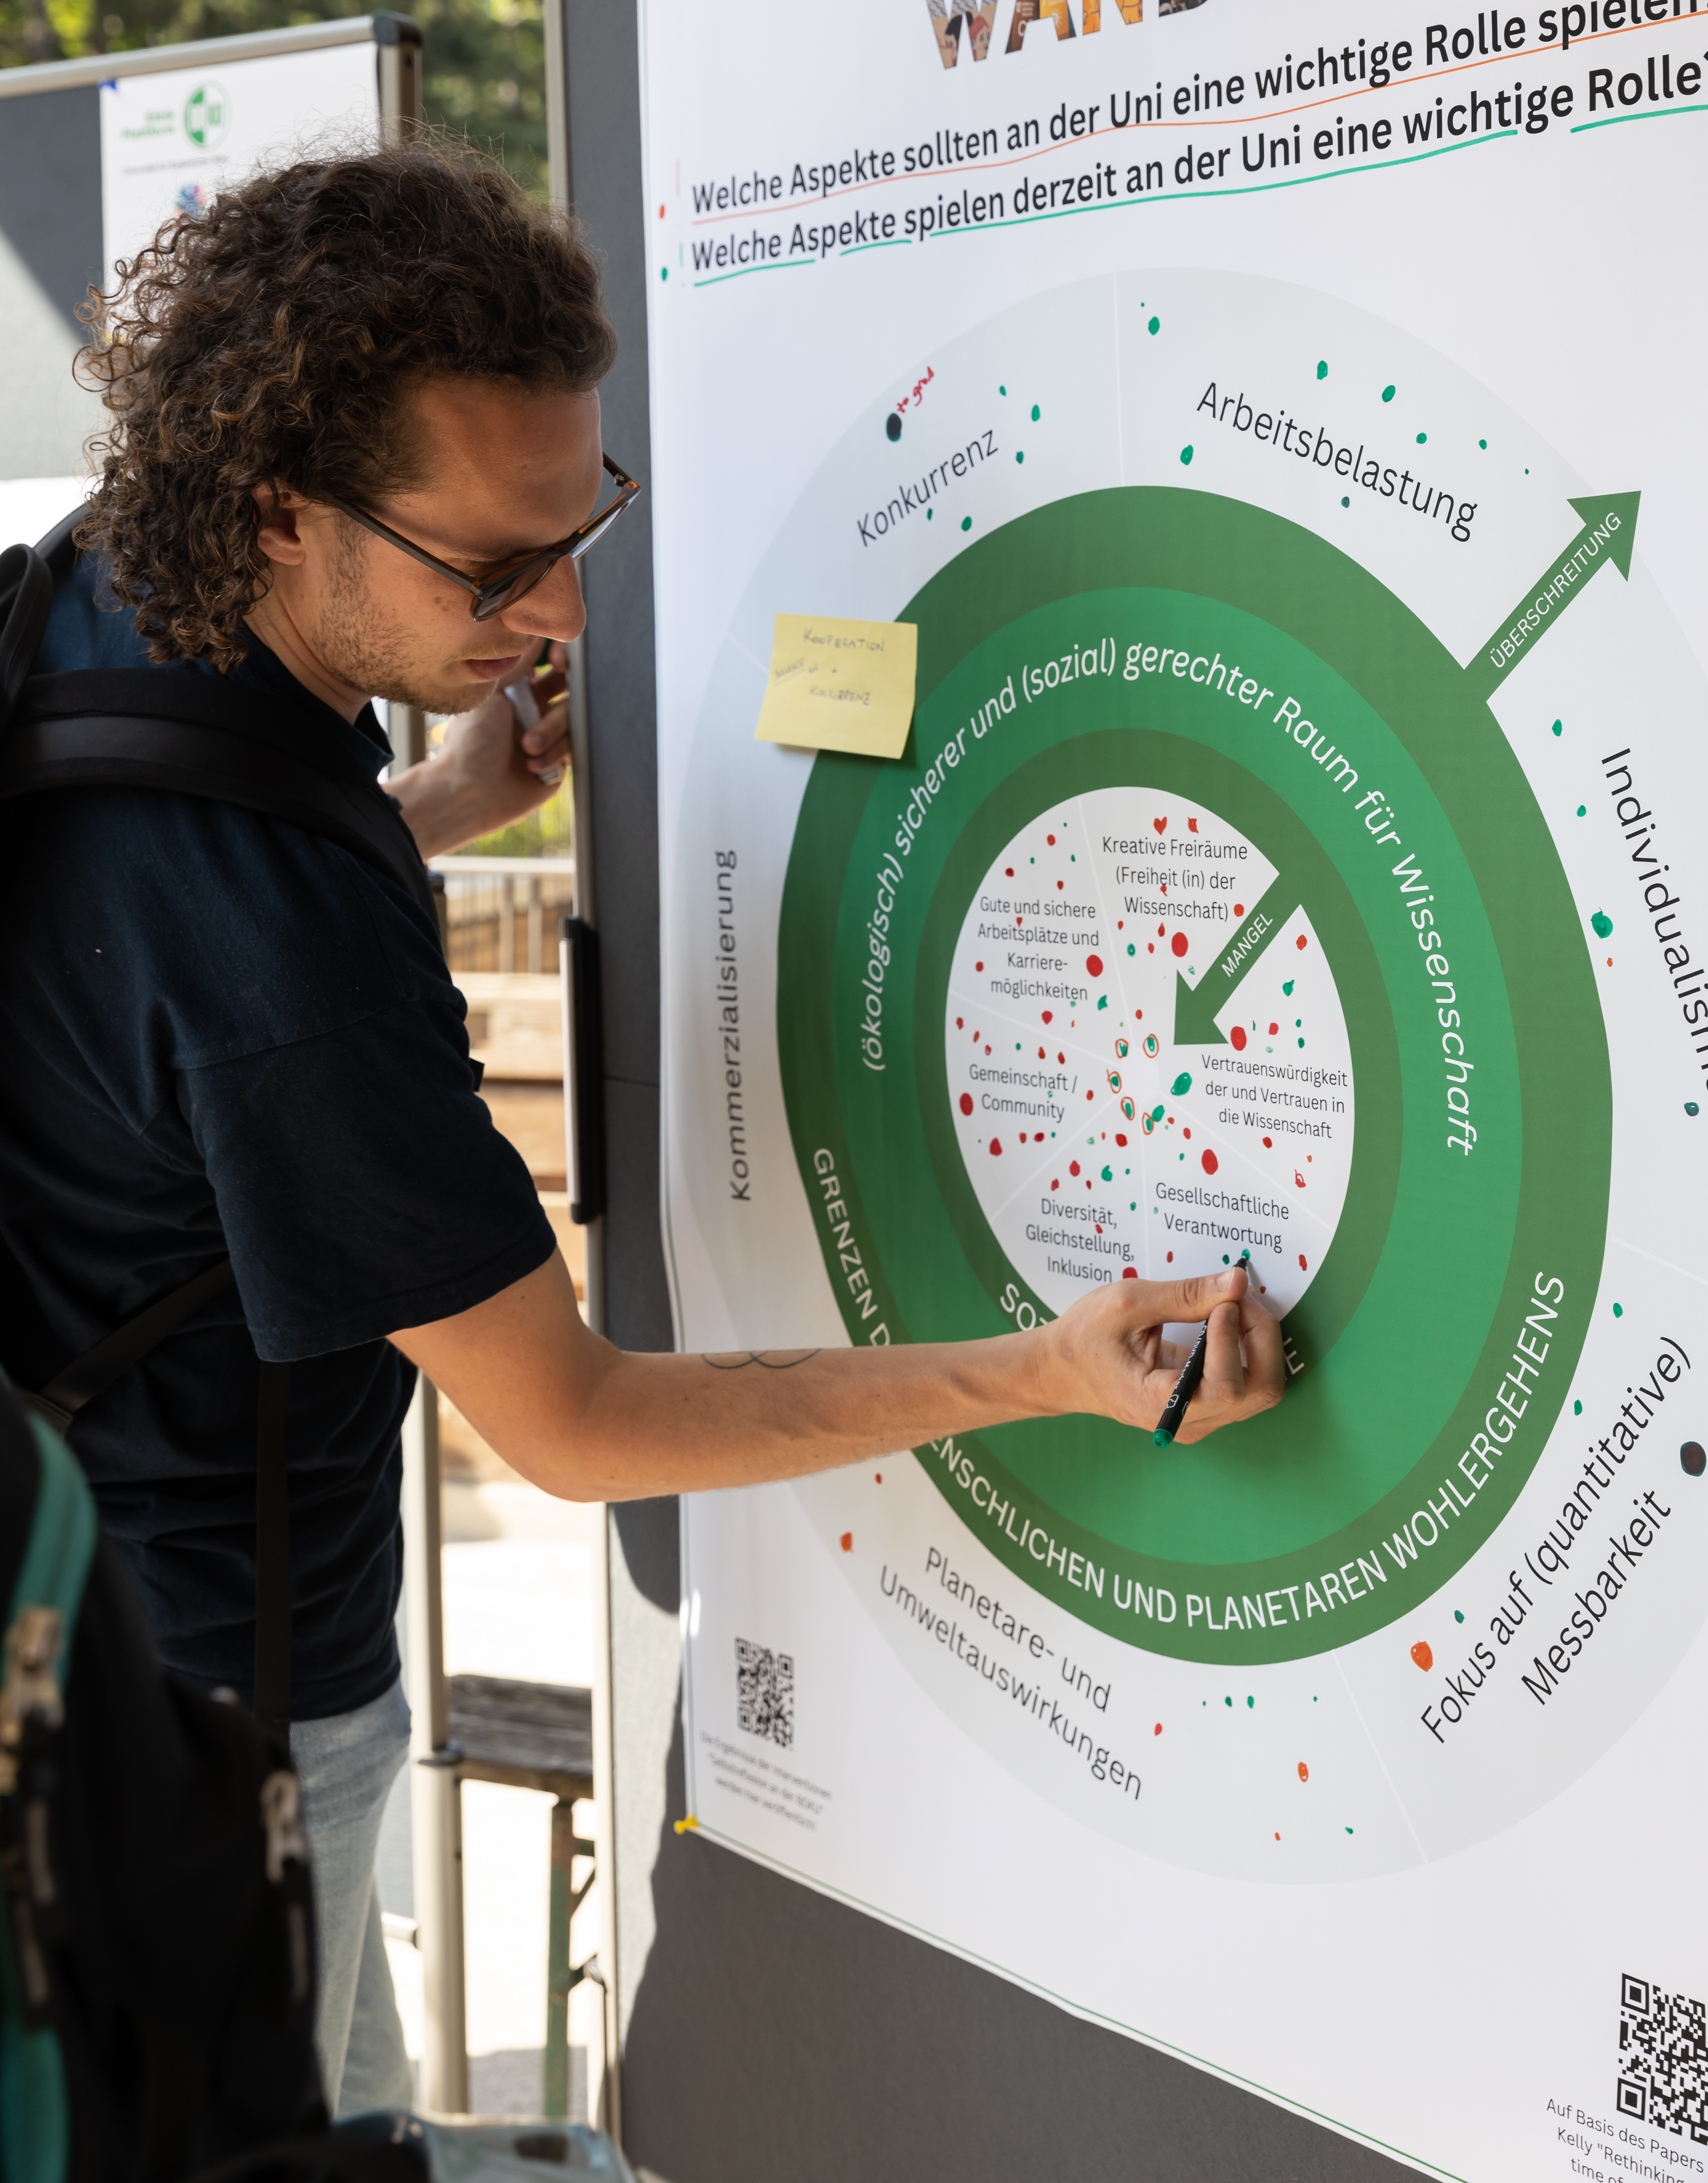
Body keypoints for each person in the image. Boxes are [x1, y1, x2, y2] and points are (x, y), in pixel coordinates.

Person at [0, 144, 1284, 2115]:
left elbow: (152, 955)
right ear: (276, 503)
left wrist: (428, 805)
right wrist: (1039, 1370)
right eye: (491, 567)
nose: (565, 608)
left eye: (582, 517)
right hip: (220, 1714)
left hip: (82, 1618)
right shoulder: (294, 960)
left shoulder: (98, 587)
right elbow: (578, 1419)